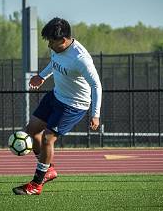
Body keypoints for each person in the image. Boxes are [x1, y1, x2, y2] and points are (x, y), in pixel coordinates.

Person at [12, 17, 102, 195]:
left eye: (51, 41)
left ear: (63, 40)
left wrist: (95, 113)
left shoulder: (81, 59)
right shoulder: (57, 49)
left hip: (74, 105)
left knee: (47, 139)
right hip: (55, 96)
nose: (49, 45)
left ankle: (37, 184)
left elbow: (96, 85)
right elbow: (54, 63)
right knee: (31, 130)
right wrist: (42, 76)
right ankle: (48, 170)